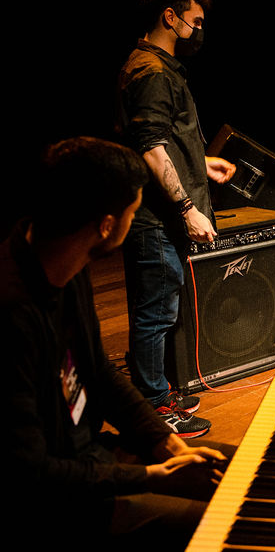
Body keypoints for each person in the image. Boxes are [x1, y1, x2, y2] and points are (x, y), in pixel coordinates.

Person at [2, 137, 228, 549]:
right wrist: (153, 476)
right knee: (227, 524)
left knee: (245, 469)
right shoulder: (13, 313)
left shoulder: (66, 259)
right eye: (133, 212)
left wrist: (165, 443)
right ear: (106, 225)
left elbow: (99, 373)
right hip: (55, 503)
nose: (134, 221)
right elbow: (31, 473)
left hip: (90, 456)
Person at [116, 0, 236, 436]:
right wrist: (188, 208)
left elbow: (163, 139)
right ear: (171, 17)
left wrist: (200, 163)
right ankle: (153, 408)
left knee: (160, 308)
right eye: (196, 22)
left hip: (160, 214)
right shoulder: (151, 71)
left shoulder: (154, 65)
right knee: (155, 314)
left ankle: (156, 392)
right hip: (156, 218)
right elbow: (149, 147)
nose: (199, 31)